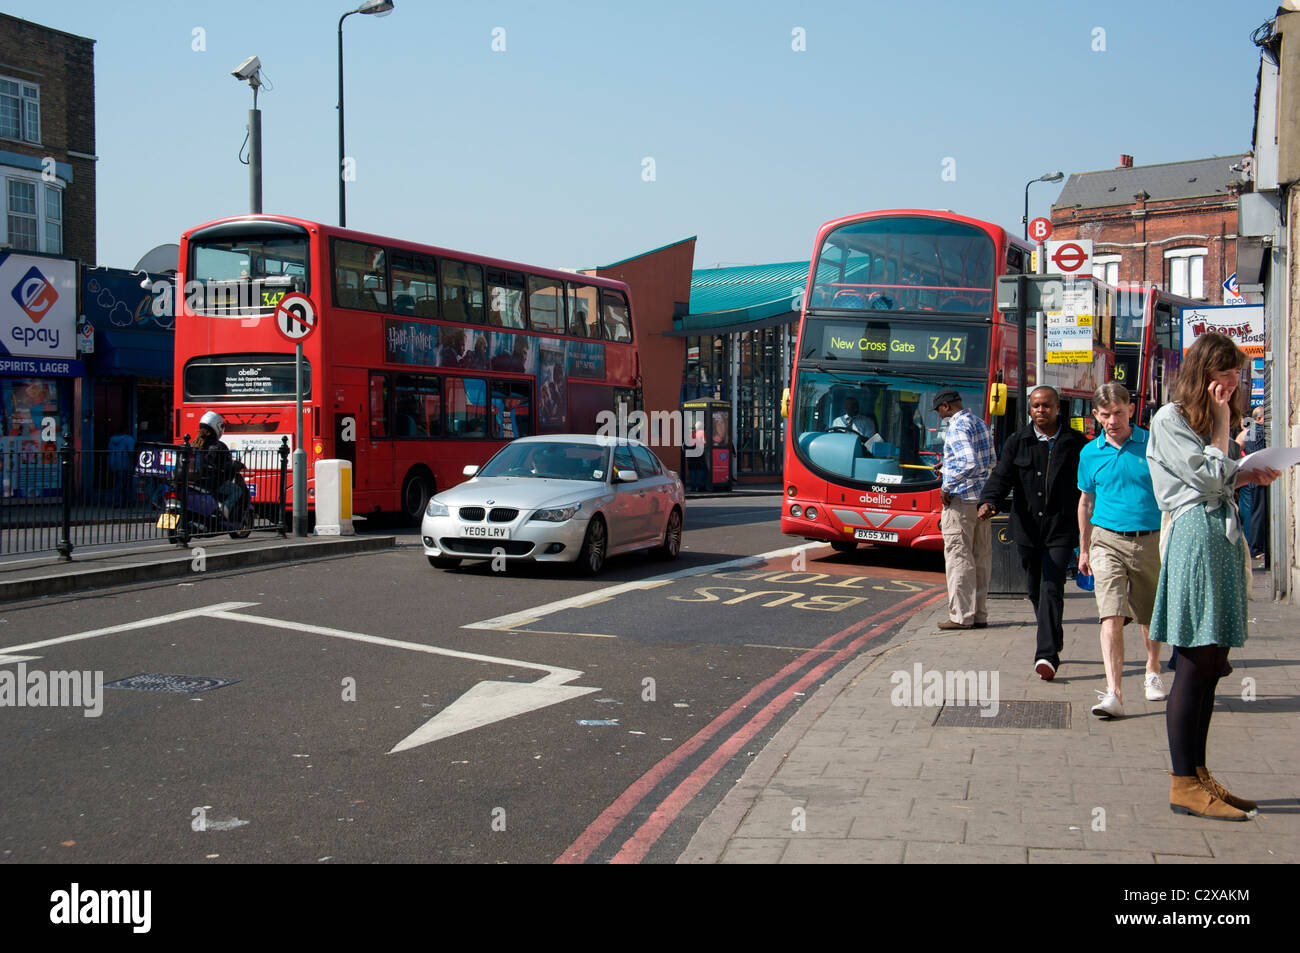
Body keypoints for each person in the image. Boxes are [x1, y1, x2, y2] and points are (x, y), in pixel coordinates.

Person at [1146, 332, 1280, 820]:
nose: (1233, 384)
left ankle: (1200, 776)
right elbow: (1203, 479)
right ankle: (1183, 782)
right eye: (1226, 375)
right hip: (1195, 538)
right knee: (1194, 661)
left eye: (1237, 376)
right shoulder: (1170, 418)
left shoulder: (1204, 421)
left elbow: (1219, 475)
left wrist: (1249, 475)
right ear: (1204, 375)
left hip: (1219, 536)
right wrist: (1223, 424)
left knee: (1211, 663)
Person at [978, 386, 1086, 679]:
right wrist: (990, 501)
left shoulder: (1075, 443)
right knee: (1034, 588)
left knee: (1052, 585)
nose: (1041, 411)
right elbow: (1002, 476)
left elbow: (1089, 485)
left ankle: (1047, 655)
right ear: (1030, 409)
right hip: (1026, 529)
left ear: (1057, 408)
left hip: (1061, 528)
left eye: (1047, 406)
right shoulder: (1018, 441)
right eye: (1036, 406)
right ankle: (1052, 633)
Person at [1076, 382, 1166, 719]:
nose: (1112, 420)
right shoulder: (1090, 453)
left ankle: (1152, 668)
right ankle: (1113, 692)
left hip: (1151, 538)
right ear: (1096, 416)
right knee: (1110, 613)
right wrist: (1083, 549)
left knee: (1148, 613)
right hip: (1106, 539)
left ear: (1130, 409)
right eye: (1105, 414)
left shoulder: (1152, 443)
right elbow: (1086, 501)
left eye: (1118, 412)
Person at [934, 389, 995, 630]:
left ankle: (961, 616)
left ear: (947, 406)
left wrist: (948, 485)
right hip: (980, 500)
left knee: (959, 558)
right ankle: (979, 614)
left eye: (939, 410)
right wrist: (947, 463)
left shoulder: (957, 426)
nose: (940, 416)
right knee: (981, 557)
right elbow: (989, 461)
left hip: (960, 501)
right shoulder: (979, 423)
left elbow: (968, 461)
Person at [195, 411, 243, 522]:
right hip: (213, 483)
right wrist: (235, 466)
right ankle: (223, 512)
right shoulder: (219, 446)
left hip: (197, 482)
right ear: (216, 426)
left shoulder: (194, 443)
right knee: (236, 490)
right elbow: (226, 468)